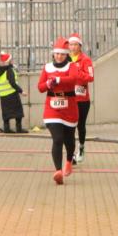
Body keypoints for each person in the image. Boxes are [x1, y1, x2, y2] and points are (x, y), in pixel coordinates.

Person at [37, 37, 82, 185]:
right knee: (57, 139)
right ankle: (58, 171)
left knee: (69, 140)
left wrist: (58, 80)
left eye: (62, 54)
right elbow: (40, 87)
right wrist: (48, 83)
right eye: (56, 54)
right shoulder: (47, 67)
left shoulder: (72, 66)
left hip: (69, 107)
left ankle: (69, 160)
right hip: (52, 109)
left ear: (66, 55)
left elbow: (74, 79)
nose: (59, 56)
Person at [67, 33, 94, 163]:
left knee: (80, 125)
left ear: (80, 46)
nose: (72, 47)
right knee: (69, 127)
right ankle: (70, 154)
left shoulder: (85, 60)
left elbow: (90, 77)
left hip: (82, 100)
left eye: (75, 44)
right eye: (70, 44)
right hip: (69, 98)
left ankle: (81, 147)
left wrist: (77, 72)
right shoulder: (66, 59)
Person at [0, 51, 25, 133]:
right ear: (8, 61)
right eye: (11, 60)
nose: (12, 61)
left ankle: (6, 129)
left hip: (3, 96)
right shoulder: (9, 70)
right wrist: (21, 91)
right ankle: (19, 129)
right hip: (12, 94)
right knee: (18, 112)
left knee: (6, 114)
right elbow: (12, 83)